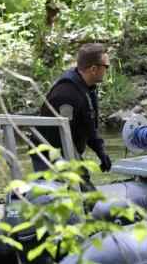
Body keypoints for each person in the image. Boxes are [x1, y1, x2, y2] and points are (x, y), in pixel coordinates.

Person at [31, 43, 112, 191]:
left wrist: (101, 152)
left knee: (85, 191)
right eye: (106, 66)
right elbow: (62, 133)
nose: (107, 70)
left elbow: (89, 125)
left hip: (67, 152)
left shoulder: (87, 89)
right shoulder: (66, 94)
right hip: (51, 154)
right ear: (94, 69)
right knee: (85, 195)